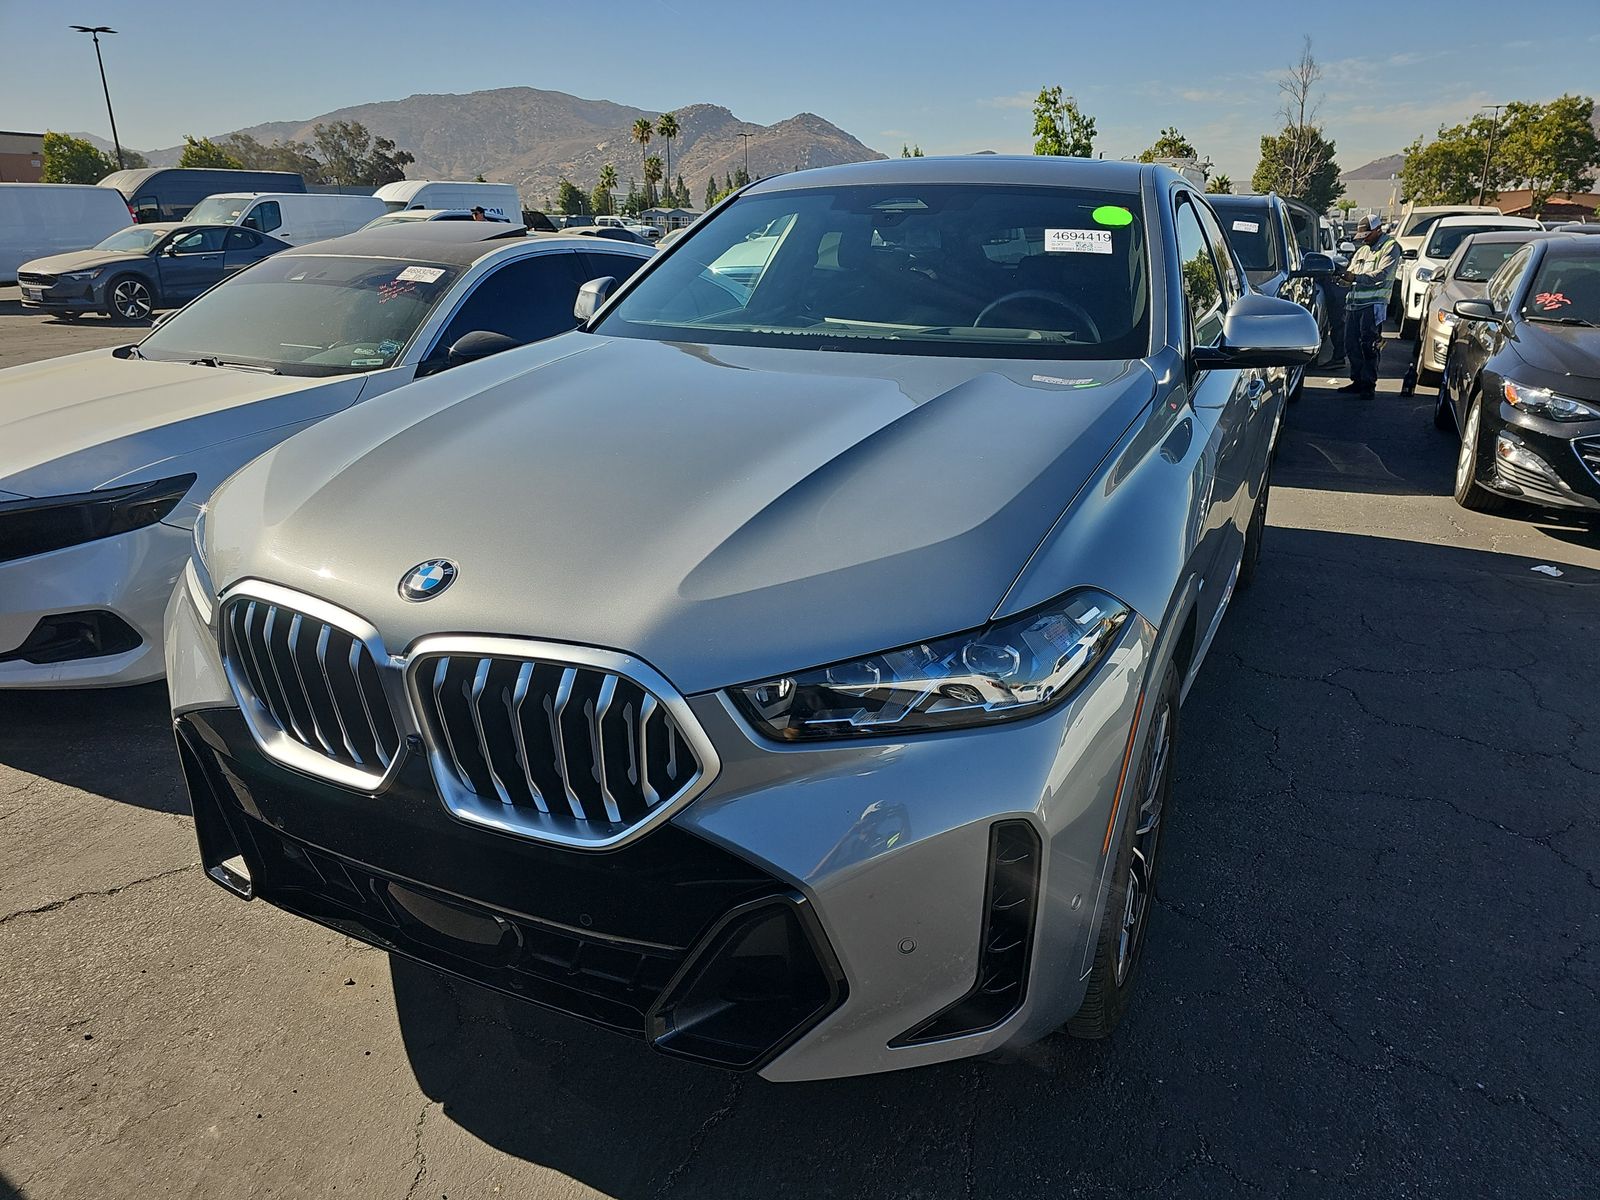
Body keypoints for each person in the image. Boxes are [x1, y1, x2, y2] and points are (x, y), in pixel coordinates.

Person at [1334, 214, 1401, 396]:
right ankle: (1357, 381)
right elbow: (1352, 272)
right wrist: (1342, 278)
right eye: (1361, 236)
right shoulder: (1363, 250)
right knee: (1350, 344)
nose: (1364, 239)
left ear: (1378, 230)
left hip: (1373, 304)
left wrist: (1354, 278)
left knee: (1369, 344)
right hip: (1354, 304)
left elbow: (1382, 275)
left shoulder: (1390, 247)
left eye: (1367, 235)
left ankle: (1368, 385)